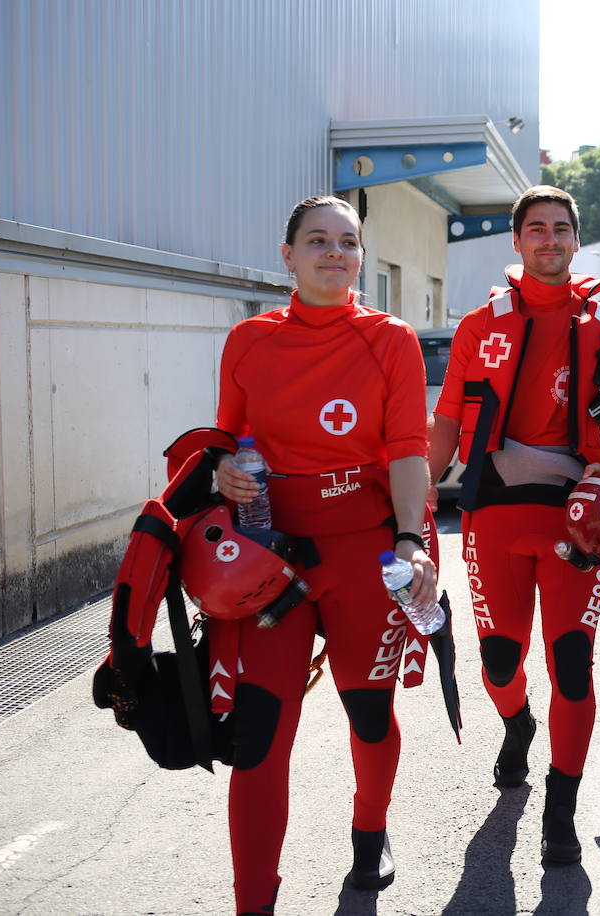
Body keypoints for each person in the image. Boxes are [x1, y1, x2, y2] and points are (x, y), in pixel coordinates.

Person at [214, 195, 438, 913]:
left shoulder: (391, 338)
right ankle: (254, 901)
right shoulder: (249, 340)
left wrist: (411, 540)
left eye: (348, 241)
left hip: (364, 560)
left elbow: (407, 449)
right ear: (288, 254)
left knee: (368, 717)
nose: (334, 253)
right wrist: (223, 473)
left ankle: (369, 835)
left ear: (361, 256)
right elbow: (224, 443)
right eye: (318, 240)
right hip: (271, 566)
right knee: (258, 740)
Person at [428, 185, 600, 865]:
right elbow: (448, 424)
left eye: (562, 229)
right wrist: (413, 501)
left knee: (573, 667)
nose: (550, 239)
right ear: (516, 243)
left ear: (577, 241)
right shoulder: (478, 326)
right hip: (492, 512)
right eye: (537, 229)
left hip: (576, 524)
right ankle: (518, 723)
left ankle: (561, 804)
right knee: (498, 660)